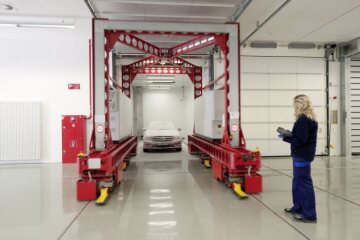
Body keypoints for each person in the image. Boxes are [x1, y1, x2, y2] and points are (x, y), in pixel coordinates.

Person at [280, 94, 318, 223]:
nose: (293, 108)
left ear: (300, 105)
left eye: (295, 105)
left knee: (304, 184)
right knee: (297, 182)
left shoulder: (304, 119)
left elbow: (301, 140)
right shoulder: (306, 118)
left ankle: (309, 215)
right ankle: (298, 208)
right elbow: (301, 136)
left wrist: (286, 137)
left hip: (302, 156)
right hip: (300, 155)